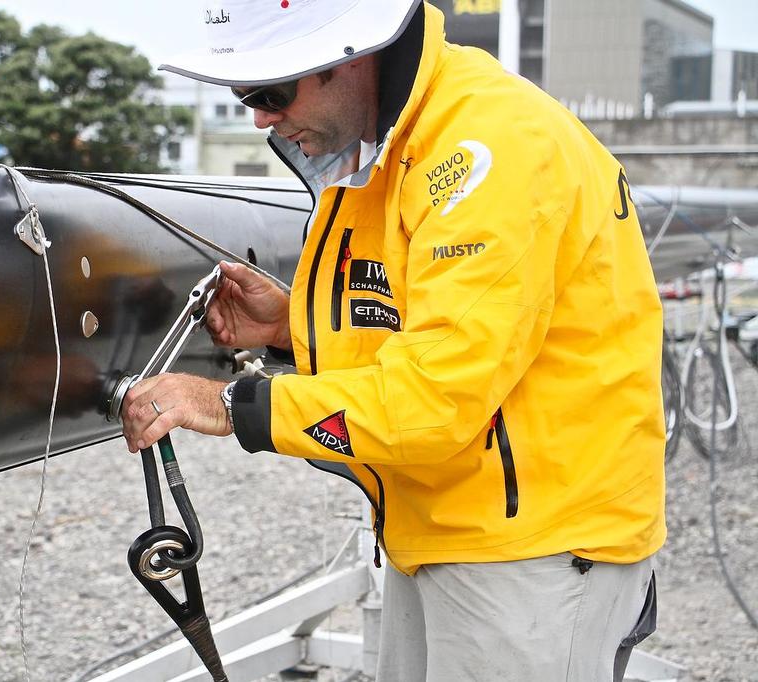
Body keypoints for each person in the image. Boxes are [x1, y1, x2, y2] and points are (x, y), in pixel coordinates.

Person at [121, 1, 665, 679]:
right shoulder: (390, 143)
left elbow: (437, 398)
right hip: (452, 523)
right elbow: (424, 315)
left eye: (269, 91)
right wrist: (295, 325)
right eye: (243, 96)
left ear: (348, 55)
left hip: (535, 551)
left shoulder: (487, 148)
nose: (260, 118)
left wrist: (234, 405)